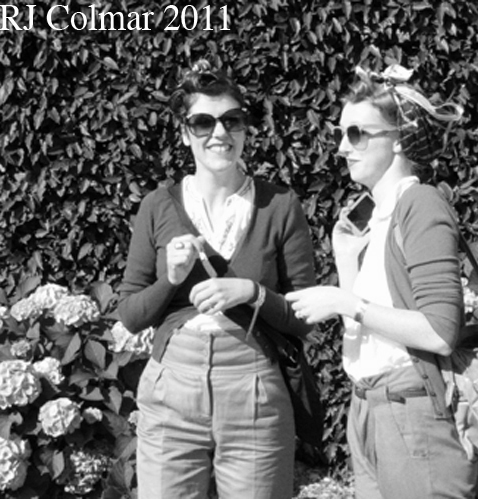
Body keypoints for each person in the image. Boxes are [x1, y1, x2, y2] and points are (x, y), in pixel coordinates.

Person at [118, 60, 316, 499]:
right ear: (185, 132)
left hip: (254, 389)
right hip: (172, 388)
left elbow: (304, 316)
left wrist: (253, 293)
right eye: (203, 122)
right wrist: (171, 278)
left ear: (246, 128)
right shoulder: (158, 206)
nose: (219, 133)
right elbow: (131, 315)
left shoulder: (279, 205)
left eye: (232, 120)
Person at [286, 64, 478, 498]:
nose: (342, 147)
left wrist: (343, 300)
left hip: (412, 413)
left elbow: (440, 331)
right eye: (341, 134)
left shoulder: (420, 205)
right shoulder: (377, 215)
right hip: (369, 409)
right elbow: (367, 327)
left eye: (356, 134)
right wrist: (346, 261)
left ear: (397, 139)